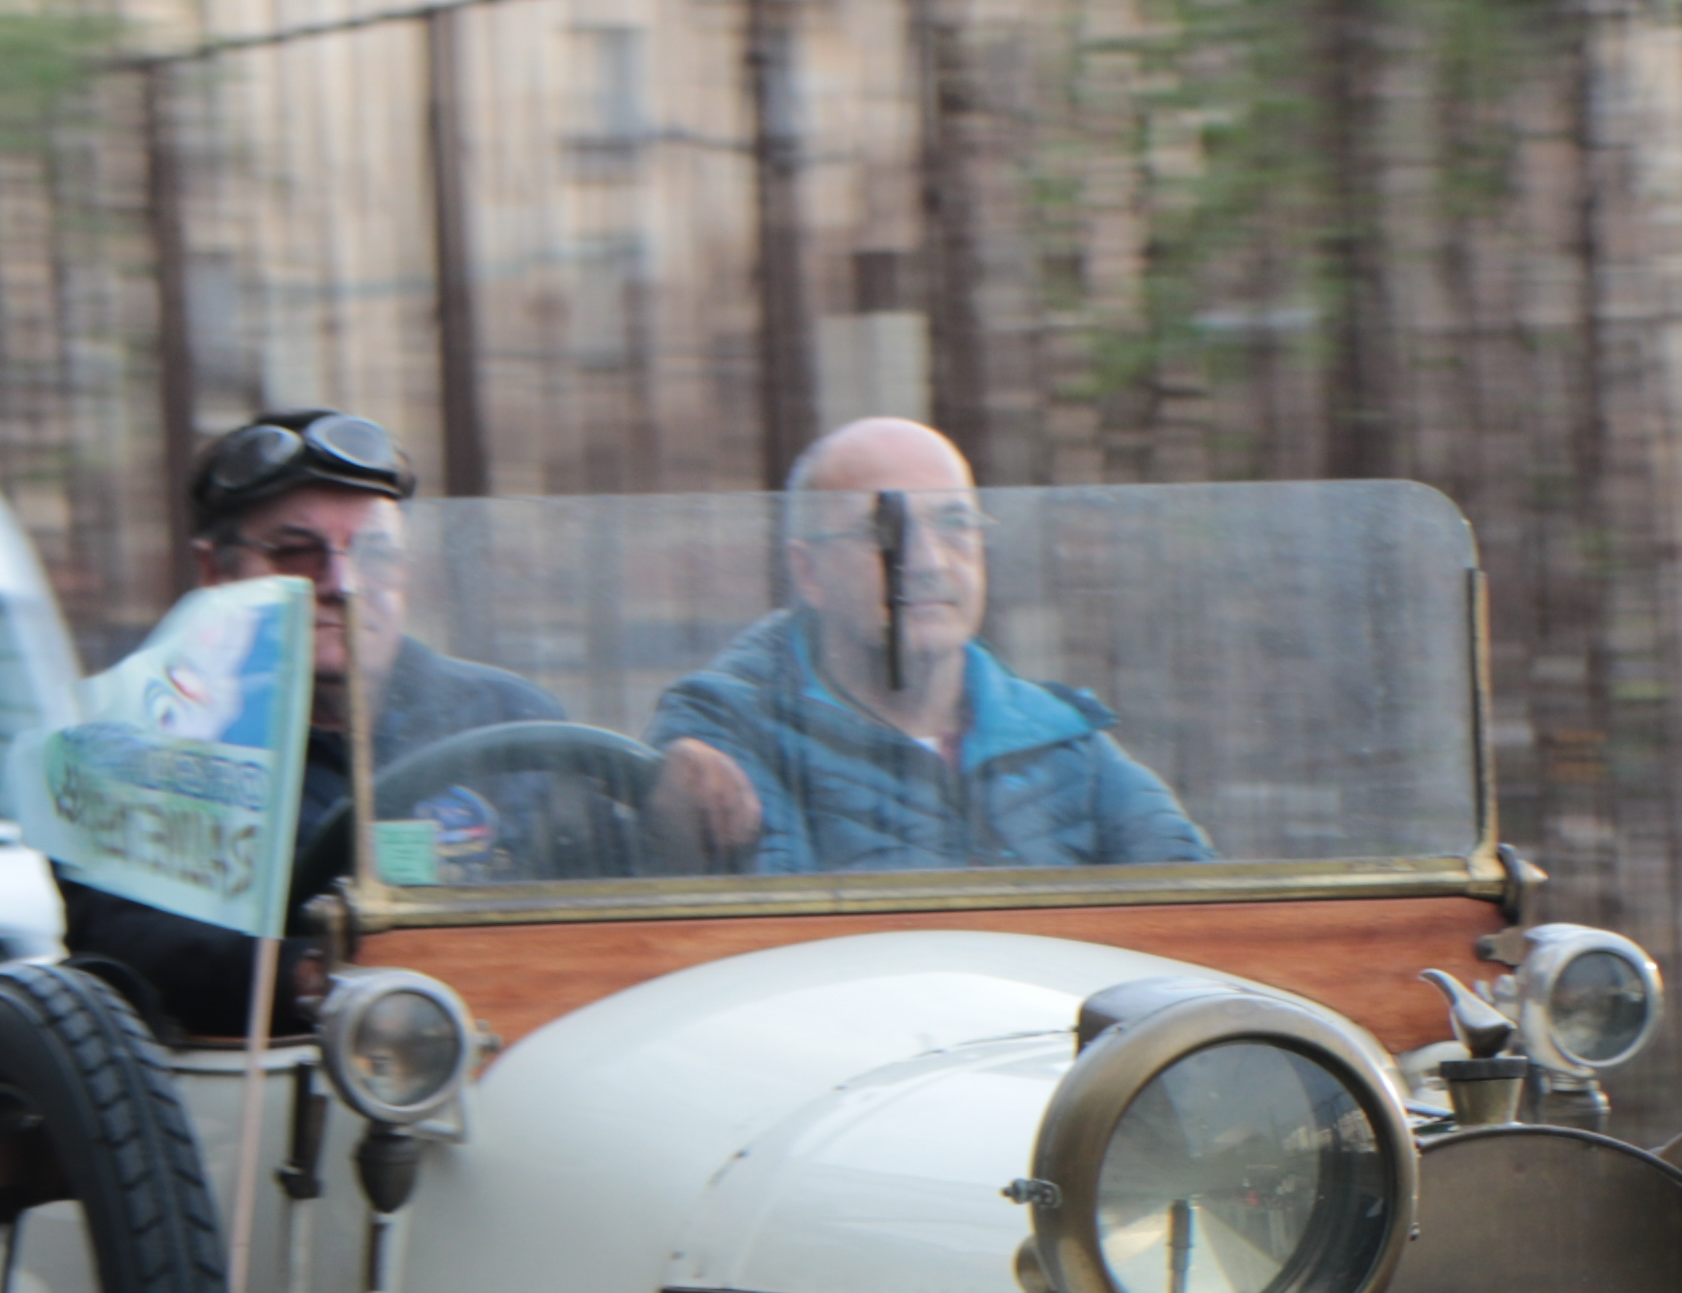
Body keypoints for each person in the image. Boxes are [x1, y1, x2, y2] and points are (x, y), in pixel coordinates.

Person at [58, 409, 565, 1034]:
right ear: (217, 574)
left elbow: (610, 886)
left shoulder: (511, 723)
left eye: (376, 555)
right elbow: (128, 938)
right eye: (296, 554)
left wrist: (685, 813)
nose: (342, 584)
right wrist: (305, 974)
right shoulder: (135, 740)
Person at [639, 418, 1210, 875]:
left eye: (955, 523)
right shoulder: (729, 730)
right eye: (881, 533)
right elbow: (784, 948)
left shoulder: (1064, 740)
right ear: (808, 572)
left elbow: (1208, 913)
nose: (928, 562)